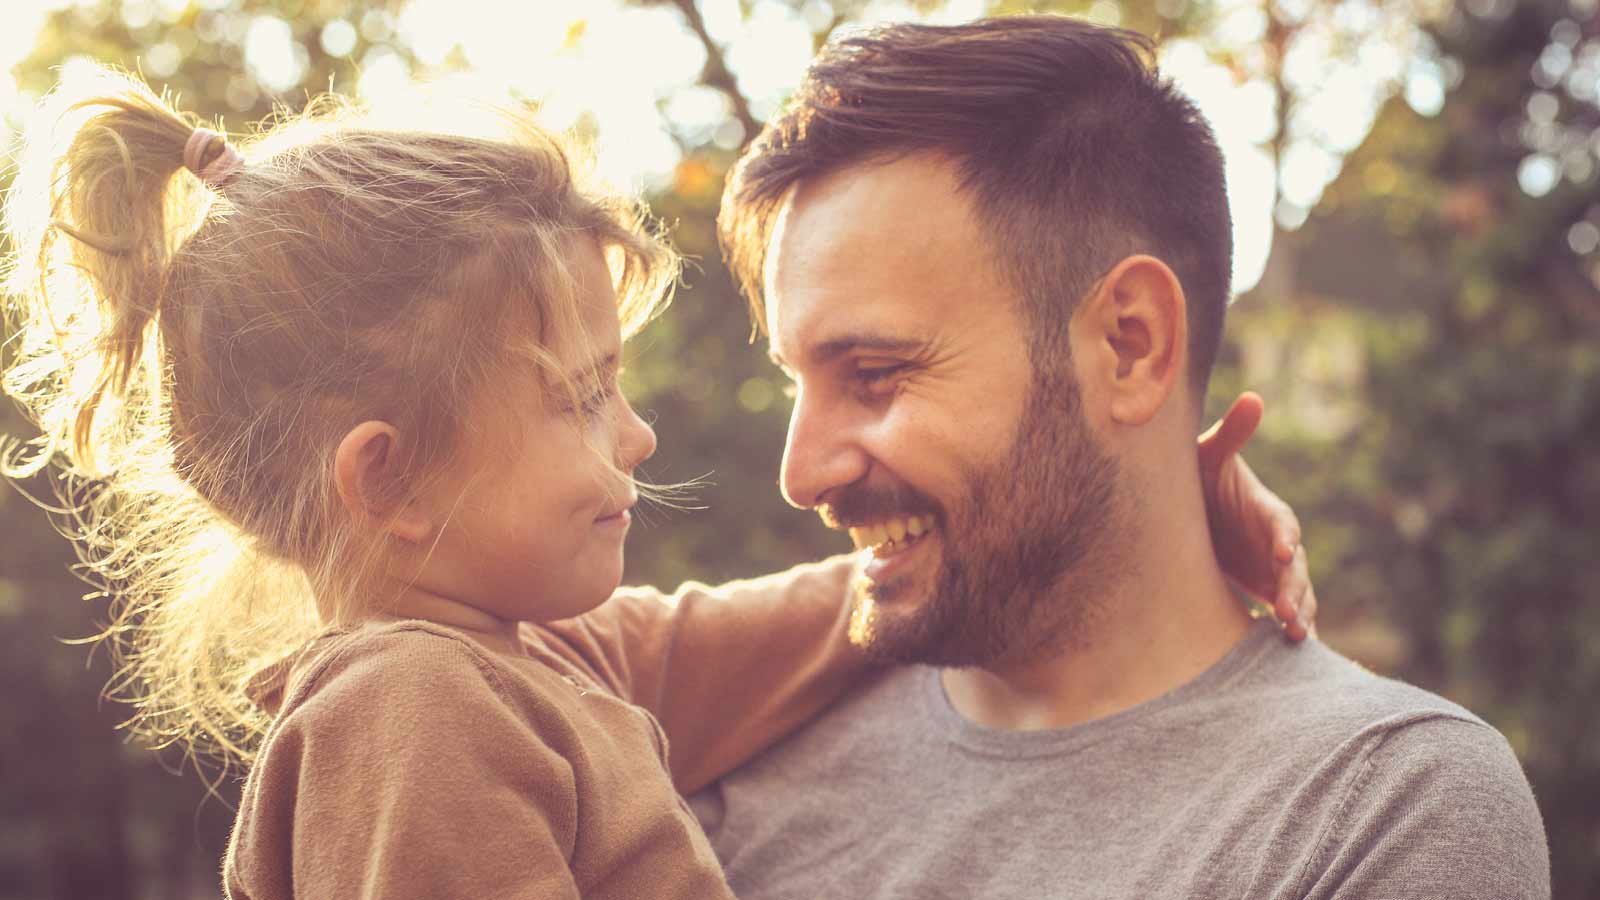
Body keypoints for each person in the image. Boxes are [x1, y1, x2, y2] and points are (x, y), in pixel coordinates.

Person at [1, 66, 1308, 897]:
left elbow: (806, 624)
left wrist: (1144, 511)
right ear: (391, 483)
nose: (632, 436)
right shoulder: (415, 714)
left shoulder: (539, 663)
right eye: (579, 398)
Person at [692, 15, 1550, 899]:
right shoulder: (723, 754)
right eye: (798, 381)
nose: (801, 475)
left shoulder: (1374, 809)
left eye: (873, 375)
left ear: (1129, 346)